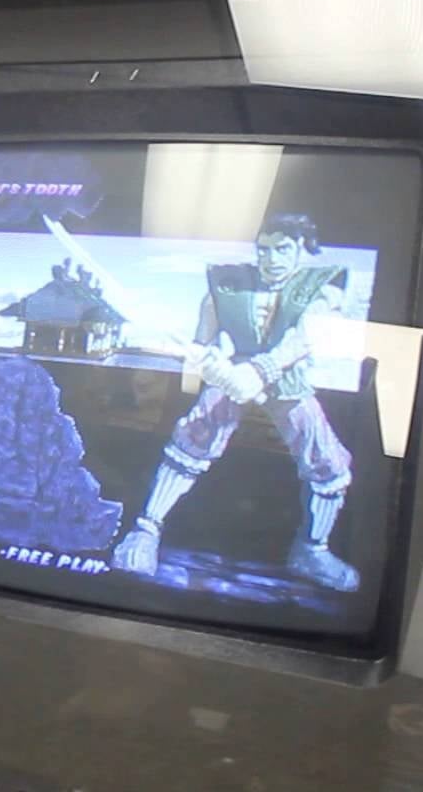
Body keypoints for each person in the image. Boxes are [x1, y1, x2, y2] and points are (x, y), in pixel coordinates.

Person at [109, 213, 360, 592]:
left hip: (286, 380)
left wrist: (261, 370)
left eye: (282, 249)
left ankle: (313, 550)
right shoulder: (226, 284)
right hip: (231, 374)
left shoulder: (322, 286)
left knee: (326, 459)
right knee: (193, 436)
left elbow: (306, 337)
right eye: (264, 249)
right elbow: (202, 341)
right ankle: (145, 531)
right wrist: (209, 361)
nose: (271, 259)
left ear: (300, 248)